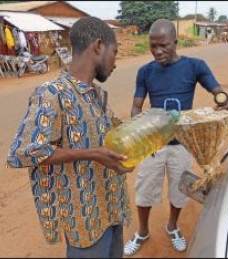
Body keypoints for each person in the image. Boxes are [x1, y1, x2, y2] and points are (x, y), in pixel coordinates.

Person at [6, 17, 135, 259]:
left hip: (111, 206)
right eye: (115, 53)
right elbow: (24, 152)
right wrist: (93, 154)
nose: (115, 63)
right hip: (85, 221)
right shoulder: (51, 94)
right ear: (97, 46)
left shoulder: (97, 94)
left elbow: (111, 133)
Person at [123, 18, 228, 256]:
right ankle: (143, 231)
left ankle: (172, 226)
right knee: (144, 190)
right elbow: (136, 106)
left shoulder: (195, 66)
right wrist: (140, 133)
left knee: (179, 190)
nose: (157, 51)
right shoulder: (145, 72)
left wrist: (224, 98)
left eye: (163, 45)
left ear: (175, 42)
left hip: (182, 145)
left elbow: (217, 91)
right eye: (153, 46)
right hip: (153, 144)